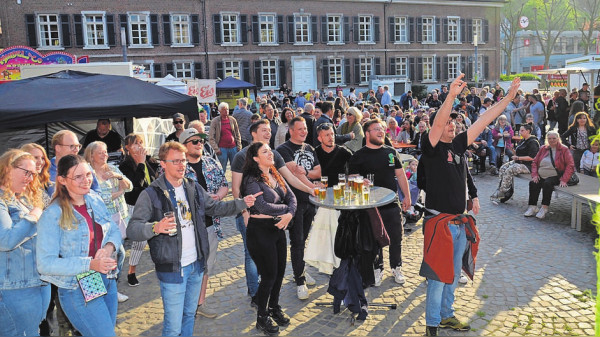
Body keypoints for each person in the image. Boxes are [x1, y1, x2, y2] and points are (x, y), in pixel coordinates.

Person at [421, 74, 520, 336]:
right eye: (447, 123)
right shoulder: (430, 148)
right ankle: (432, 324)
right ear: (436, 128)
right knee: (436, 276)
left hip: (459, 221)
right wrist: (450, 96)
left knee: (453, 274)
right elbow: (439, 122)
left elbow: (483, 120)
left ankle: (446, 315)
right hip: (437, 222)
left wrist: (508, 99)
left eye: (454, 123)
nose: (452, 125)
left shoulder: (458, 146)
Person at [126, 141, 259, 336]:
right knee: (172, 326)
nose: (182, 166)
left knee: (189, 314)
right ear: (162, 164)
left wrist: (241, 203)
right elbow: (133, 228)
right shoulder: (151, 194)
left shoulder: (192, 187)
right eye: (176, 161)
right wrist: (156, 227)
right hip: (172, 268)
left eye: (183, 161)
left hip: (196, 265)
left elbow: (215, 208)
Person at [231, 119, 315, 306]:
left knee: (273, 263)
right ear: (253, 133)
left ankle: (269, 301)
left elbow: (289, 179)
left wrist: (309, 189)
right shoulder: (241, 156)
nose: (269, 133)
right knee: (251, 257)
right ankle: (255, 295)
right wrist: (244, 213)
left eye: (269, 130)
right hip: (251, 215)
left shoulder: (273, 154)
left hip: (273, 219)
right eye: (264, 130)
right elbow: (236, 189)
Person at [37, 154, 122, 336]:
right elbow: (45, 264)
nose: (86, 181)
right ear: (62, 180)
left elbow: (114, 230)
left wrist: (108, 248)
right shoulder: (53, 214)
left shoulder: (94, 199)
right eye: (78, 177)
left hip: (106, 279)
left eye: (88, 174)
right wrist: (90, 264)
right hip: (77, 287)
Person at [241, 142, 297, 335]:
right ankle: (262, 317)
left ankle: (274, 307)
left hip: (278, 229)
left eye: (270, 150)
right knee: (269, 275)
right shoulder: (250, 180)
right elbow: (262, 206)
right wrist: (287, 211)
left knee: (280, 272)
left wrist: (289, 213)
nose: (270, 153)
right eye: (265, 151)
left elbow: (292, 197)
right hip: (260, 231)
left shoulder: (276, 174)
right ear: (255, 158)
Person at [349, 118, 411, 286]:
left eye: (382, 129)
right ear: (367, 133)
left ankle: (396, 267)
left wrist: (407, 196)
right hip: (370, 206)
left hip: (392, 203)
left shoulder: (391, 152)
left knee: (396, 237)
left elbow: (400, 175)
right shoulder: (358, 156)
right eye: (376, 129)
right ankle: (378, 268)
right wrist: (360, 180)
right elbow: (351, 178)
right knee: (376, 239)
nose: (381, 131)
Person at [175, 129, 228, 318]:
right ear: (184, 146)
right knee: (186, 267)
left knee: (206, 266)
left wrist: (218, 196)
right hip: (186, 228)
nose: (200, 144)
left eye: (201, 141)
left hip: (210, 224)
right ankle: (183, 305)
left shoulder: (211, 162)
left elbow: (224, 183)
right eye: (194, 141)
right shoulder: (177, 167)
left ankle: (200, 303)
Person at [0, 149, 50, 336]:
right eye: (26, 172)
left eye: (34, 174)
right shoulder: (2, 201)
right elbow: (5, 240)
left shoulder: (19, 199)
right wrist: (34, 215)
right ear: (7, 168)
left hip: (35, 281)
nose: (30, 178)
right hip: (15, 287)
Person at [276, 117, 321, 300]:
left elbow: (318, 172)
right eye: (300, 129)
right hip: (294, 203)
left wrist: (306, 174)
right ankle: (299, 280)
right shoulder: (282, 150)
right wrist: (311, 186)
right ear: (291, 130)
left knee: (304, 240)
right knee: (297, 241)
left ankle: (300, 270)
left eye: (305, 129)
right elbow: (293, 176)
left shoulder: (309, 148)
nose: (304, 131)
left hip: (311, 202)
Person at [85, 141, 132, 303]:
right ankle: (101, 291)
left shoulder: (112, 168)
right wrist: (117, 193)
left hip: (117, 219)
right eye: (101, 152)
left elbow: (129, 186)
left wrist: (117, 177)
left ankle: (108, 290)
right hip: (100, 222)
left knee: (114, 253)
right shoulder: (88, 173)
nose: (105, 155)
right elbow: (95, 198)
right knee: (115, 253)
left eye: (106, 152)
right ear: (91, 155)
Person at [118, 134, 159, 287]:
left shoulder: (148, 160)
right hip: (134, 206)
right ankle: (131, 271)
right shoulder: (124, 166)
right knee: (139, 241)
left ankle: (160, 265)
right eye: (135, 143)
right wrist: (141, 164)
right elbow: (136, 184)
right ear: (127, 148)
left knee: (157, 236)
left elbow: (154, 179)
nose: (139, 146)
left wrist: (148, 162)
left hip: (151, 205)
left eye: (141, 142)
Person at [524, 131, 575, 219]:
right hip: (541, 174)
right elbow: (535, 162)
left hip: (555, 175)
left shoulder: (564, 149)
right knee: (533, 183)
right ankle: (532, 206)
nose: (552, 140)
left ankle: (544, 207)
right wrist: (535, 174)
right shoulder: (543, 148)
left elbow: (570, 165)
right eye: (549, 138)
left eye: (554, 138)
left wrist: (564, 179)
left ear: (558, 139)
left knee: (547, 184)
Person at [491, 124, 540, 203]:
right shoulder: (523, 140)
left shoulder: (533, 142)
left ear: (528, 131)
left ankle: (505, 192)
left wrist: (518, 158)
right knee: (503, 168)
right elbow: (519, 153)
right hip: (519, 162)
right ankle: (503, 189)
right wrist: (513, 150)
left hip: (528, 165)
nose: (520, 132)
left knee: (510, 170)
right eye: (520, 130)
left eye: (522, 130)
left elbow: (532, 157)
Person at [208, 102, 243, 172]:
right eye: (224, 109)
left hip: (233, 147)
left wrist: (239, 145)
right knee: (222, 169)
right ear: (220, 111)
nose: (226, 111)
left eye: (227, 109)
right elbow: (211, 137)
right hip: (222, 149)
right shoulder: (215, 121)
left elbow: (237, 133)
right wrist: (216, 149)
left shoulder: (232, 120)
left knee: (236, 168)